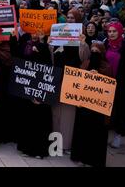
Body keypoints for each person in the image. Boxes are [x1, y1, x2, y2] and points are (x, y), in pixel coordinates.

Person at [51, 9, 90, 153]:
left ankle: (66, 145)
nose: (70, 20)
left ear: (78, 20)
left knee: (68, 114)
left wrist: (83, 44)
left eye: (73, 18)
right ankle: (54, 145)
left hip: (72, 79)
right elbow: (52, 57)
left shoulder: (82, 36)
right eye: (68, 17)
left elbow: (85, 58)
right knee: (55, 112)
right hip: (58, 77)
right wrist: (50, 44)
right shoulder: (59, 33)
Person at [10, 30, 53, 159]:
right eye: (33, 32)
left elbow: (48, 66)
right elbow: (17, 58)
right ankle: (26, 148)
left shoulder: (45, 46)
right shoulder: (25, 45)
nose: (35, 35)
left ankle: (39, 150)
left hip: (40, 91)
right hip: (27, 91)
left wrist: (41, 47)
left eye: (38, 33)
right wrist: (13, 39)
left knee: (39, 123)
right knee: (27, 121)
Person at [71, 42, 113, 167]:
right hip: (84, 106)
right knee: (82, 132)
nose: (94, 53)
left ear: (102, 53)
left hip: (98, 109)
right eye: (92, 51)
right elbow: (78, 79)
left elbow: (109, 86)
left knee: (95, 134)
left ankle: (93, 160)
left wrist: (99, 76)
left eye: (97, 51)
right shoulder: (85, 64)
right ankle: (80, 157)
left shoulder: (107, 67)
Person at [105, 22, 125, 149]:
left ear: (120, 32)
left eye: (114, 31)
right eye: (109, 31)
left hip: (121, 84)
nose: (112, 34)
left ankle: (118, 136)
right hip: (105, 83)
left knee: (119, 110)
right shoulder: (105, 44)